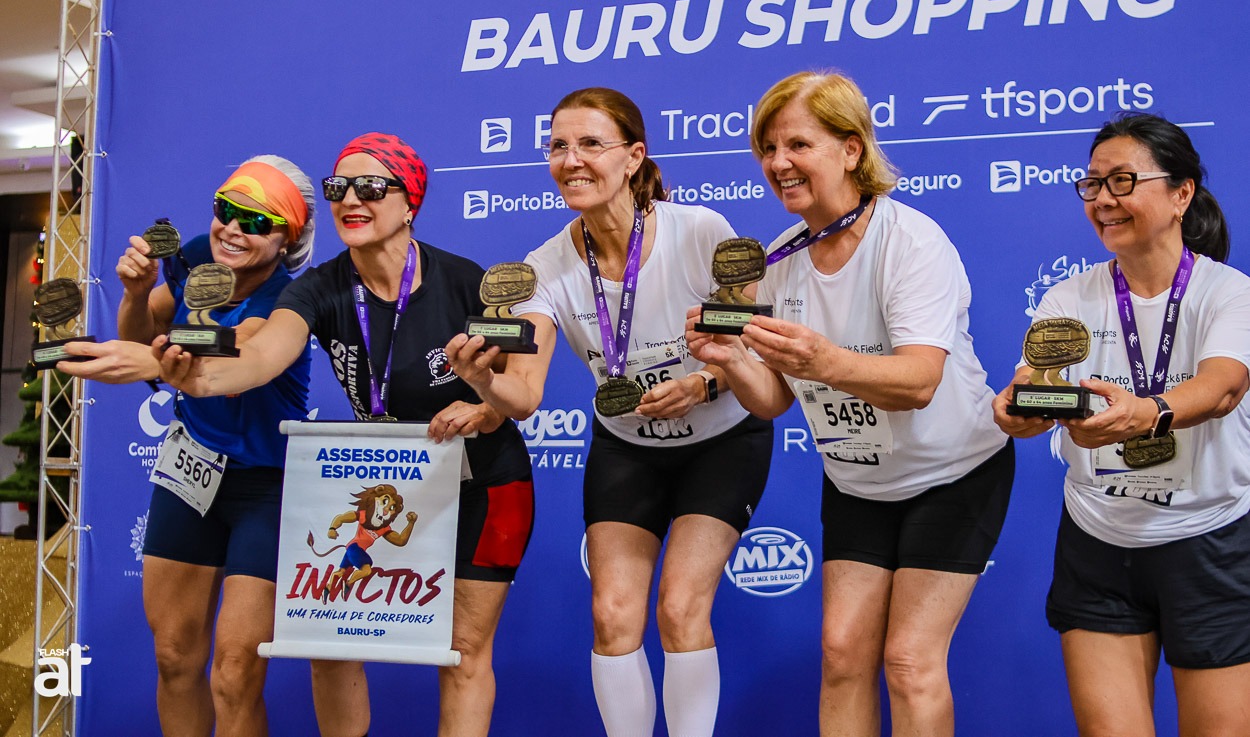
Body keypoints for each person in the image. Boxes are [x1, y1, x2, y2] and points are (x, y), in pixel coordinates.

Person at [156, 132, 535, 737]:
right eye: (339, 187)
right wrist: (195, 377)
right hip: (388, 485)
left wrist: (484, 404)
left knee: (464, 652)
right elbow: (263, 356)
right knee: (329, 641)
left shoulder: (467, 282)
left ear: (410, 203)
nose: (351, 199)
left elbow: (520, 395)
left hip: (483, 485)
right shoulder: (318, 287)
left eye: (372, 187)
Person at [686, 71, 1014, 737]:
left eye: (798, 144)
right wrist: (732, 360)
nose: (779, 163)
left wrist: (823, 360)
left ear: (851, 149)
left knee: (910, 660)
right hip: (858, 480)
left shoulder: (911, 241)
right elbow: (775, 399)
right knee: (841, 655)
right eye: (768, 149)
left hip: (953, 473)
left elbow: (919, 381)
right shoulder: (779, 259)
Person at [446, 87, 774, 737]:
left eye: (591, 144)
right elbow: (525, 395)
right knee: (613, 614)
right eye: (558, 146)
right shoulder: (544, 267)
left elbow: (754, 347)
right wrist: (482, 380)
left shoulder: (700, 231)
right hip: (628, 444)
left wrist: (702, 383)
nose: (571, 160)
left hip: (721, 437)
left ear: (633, 157)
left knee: (680, 607)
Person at [992, 113, 1250, 736]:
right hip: (1098, 542)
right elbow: (1036, 385)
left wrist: (1147, 412)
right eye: (1092, 184)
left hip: (1209, 540)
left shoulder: (1229, 293)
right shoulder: (1067, 299)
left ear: (1181, 194)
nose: (1103, 199)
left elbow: (1222, 387)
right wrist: (1019, 411)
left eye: (1122, 181)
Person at [59, 155, 316, 737]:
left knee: (235, 674)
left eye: (258, 221)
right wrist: (136, 293)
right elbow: (141, 333)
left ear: (287, 239)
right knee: (174, 656)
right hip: (190, 471)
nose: (234, 229)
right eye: (226, 210)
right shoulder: (197, 254)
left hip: (266, 487)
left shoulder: (290, 298)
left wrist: (154, 359)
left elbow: (230, 359)